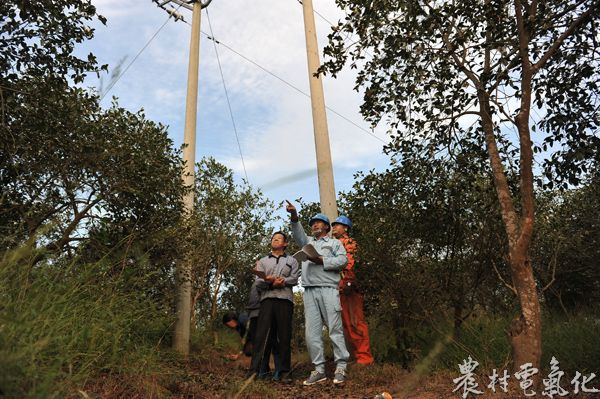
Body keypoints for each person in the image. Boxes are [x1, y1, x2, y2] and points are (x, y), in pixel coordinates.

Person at [286, 200, 350, 386]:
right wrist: (294, 215)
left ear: (326, 227)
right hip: (309, 291)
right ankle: (319, 370)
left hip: (328, 289)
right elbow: (297, 232)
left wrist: (321, 260)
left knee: (335, 329)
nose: (314, 224)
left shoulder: (335, 243)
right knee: (311, 333)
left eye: (318, 222)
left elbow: (342, 262)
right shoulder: (308, 242)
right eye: (312, 222)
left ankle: (341, 367)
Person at [250, 231, 299, 383]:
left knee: (284, 336)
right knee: (261, 337)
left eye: (279, 239)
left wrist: (282, 281)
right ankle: (255, 371)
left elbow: (295, 278)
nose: (275, 240)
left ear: (285, 244)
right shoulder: (263, 261)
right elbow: (258, 282)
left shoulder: (292, 260)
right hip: (267, 300)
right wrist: (271, 282)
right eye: (273, 238)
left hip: (285, 301)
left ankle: (285, 372)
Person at [331, 215, 375, 366]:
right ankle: (359, 357)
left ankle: (365, 358)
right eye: (333, 225)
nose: (334, 228)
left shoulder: (348, 243)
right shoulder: (334, 244)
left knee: (355, 323)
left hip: (349, 289)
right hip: (339, 289)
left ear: (346, 228)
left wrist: (349, 281)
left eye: (337, 225)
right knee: (347, 325)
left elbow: (351, 262)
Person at [222, 280, 279, 376]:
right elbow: (246, 341)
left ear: (231, 319)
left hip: (262, 332)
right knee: (251, 350)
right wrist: (238, 355)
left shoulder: (243, 319)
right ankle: (263, 370)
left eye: (228, 323)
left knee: (266, 348)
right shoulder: (239, 326)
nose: (229, 326)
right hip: (256, 337)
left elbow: (249, 335)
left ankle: (265, 371)